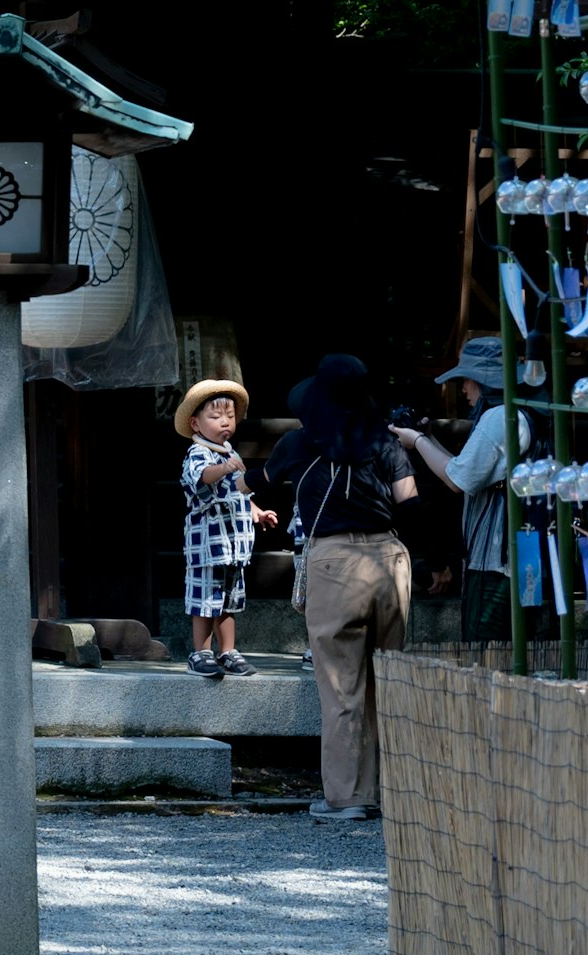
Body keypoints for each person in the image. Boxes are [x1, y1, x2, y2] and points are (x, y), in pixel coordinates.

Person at [262, 351, 420, 823]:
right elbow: (410, 503)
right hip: (390, 561)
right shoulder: (387, 444)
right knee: (387, 683)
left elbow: (262, 481)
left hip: (334, 563)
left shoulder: (298, 444)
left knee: (341, 688)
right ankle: (397, 792)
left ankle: (349, 798)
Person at [393, 337, 520, 641]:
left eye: (467, 379)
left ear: (484, 380)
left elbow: (456, 480)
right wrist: (428, 437)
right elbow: (462, 469)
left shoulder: (497, 417)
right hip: (493, 555)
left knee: (486, 651)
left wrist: (418, 441)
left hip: (495, 557)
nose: (463, 388)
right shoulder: (506, 414)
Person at [173, 379, 276, 679]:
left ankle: (228, 650)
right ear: (195, 423)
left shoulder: (230, 452)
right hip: (209, 544)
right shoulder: (198, 454)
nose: (225, 422)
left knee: (229, 601)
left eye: (229, 416)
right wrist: (225, 468)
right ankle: (201, 652)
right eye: (215, 417)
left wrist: (257, 512)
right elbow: (204, 477)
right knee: (205, 599)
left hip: (234, 546)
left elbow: (240, 491)